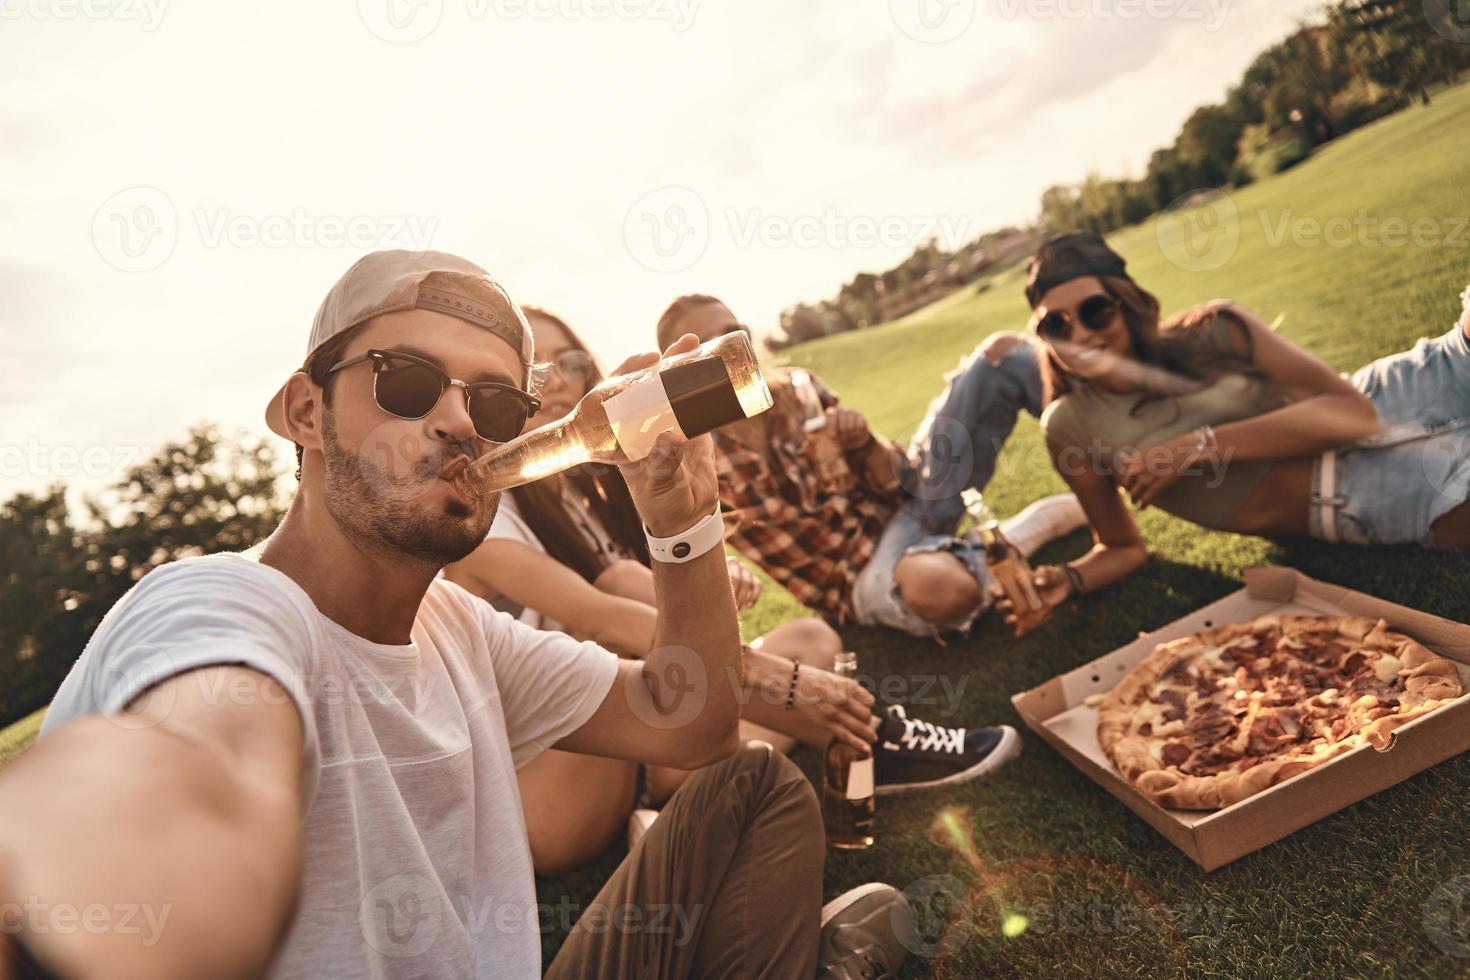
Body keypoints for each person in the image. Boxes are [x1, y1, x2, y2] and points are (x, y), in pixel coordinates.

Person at [0, 251, 914, 980]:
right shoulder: (218, 604)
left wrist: (683, 522)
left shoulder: (457, 628)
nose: (457, 420)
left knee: (753, 785)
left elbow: (693, 720)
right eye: (405, 382)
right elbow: (206, 753)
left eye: (494, 401)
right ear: (304, 411)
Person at [444, 307, 1025, 874]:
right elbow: (596, 618)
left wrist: (696, 554)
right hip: (555, 801)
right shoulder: (476, 511)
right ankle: (870, 737)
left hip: (644, 744)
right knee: (622, 597)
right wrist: (775, 679)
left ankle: (683, 802)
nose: (559, 383)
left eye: (567, 361)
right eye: (535, 373)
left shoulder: (579, 493)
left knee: (812, 639)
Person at [1006, 231, 1469, 619]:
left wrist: (1198, 445)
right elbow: (1121, 546)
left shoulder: (1214, 327)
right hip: (1358, 496)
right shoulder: (1069, 426)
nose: (1081, 334)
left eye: (1094, 311)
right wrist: (1069, 578)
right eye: (1056, 326)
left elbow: (1356, 415)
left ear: (1124, 301)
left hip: (1397, 391)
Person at [654, 296, 1087, 639]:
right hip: (857, 579)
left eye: (734, 332)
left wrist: (864, 442)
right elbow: (685, 557)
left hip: (909, 508)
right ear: (681, 368)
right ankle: (1010, 538)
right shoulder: (695, 453)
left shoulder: (797, 389)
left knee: (1002, 355)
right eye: (706, 345)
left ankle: (1115, 450)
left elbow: (894, 481)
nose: (729, 347)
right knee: (944, 589)